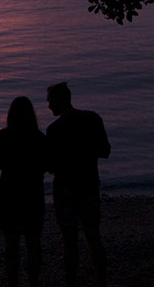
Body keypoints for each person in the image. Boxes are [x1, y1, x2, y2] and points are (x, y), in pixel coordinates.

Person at [45, 82, 110, 287]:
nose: (48, 107)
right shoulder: (92, 119)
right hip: (89, 185)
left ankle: (71, 282)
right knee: (93, 236)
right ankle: (101, 281)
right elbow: (105, 151)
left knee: (69, 241)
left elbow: (51, 165)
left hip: (65, 190)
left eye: (49, 102)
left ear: (58, 101)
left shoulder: (54, 130)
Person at [0, 96, 47, 287]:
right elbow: (46, 165)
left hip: (10, 195)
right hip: (33, 194)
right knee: (33, 244)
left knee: (11, 245)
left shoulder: (3, 136)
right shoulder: (39, 137)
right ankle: (33, 281)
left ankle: (13, 282)